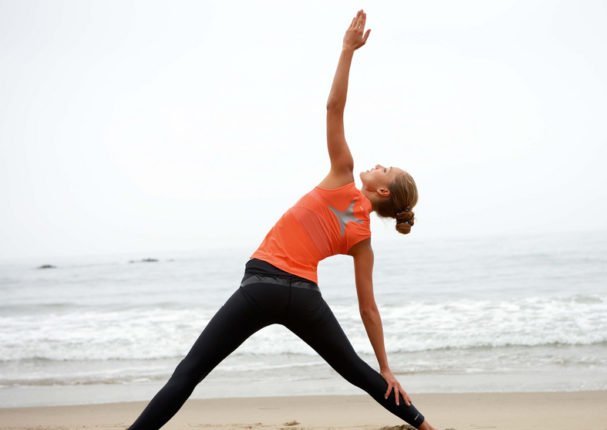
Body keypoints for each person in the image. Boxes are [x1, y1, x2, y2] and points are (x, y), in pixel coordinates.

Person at [128, 10, 436, 430]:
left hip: (262, 285)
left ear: (383, 191)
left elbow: (333, 107)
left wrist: (346, 51)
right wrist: (385, 367)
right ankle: (422, 425)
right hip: (304, 298)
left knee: (191, 371)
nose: (380, 164)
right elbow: (368, 308)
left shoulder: (344, 174)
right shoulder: (363, 238)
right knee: (359, 373)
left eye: (387, 169)